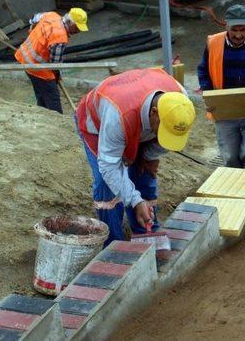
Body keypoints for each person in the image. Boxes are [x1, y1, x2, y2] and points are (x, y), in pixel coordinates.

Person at [76, 68, 196, 246]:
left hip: (138, 122)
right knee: (106, 185)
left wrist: (148, 157)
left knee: (144, 173)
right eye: (163, 130)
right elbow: (109, 166)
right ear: (155, 113)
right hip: (99, 126)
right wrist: (135, 200)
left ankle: (145, 232)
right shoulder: (118, 116)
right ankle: (114, 245)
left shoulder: (180, 102)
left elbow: (164, 143)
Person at [198, 4, 245, 170]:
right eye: (234, 30)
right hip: (225, 111)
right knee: (230, 159)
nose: (238, 35)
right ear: (226, 25)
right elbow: (203, 70)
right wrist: (209, 95)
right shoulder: (213, 43)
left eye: (243, 30)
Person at [14, 8, 88, 113]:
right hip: (36, 67)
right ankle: (57, 121)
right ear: (70, 23)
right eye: (77, 28)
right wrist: (57, 77)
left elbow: (33, 19)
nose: (78, 31)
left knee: (40, 91)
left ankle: (43, 112)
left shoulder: (51, 15)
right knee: (52, 96)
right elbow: (55, 65)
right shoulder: (60, 38)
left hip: (24, 59)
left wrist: (32, 30)